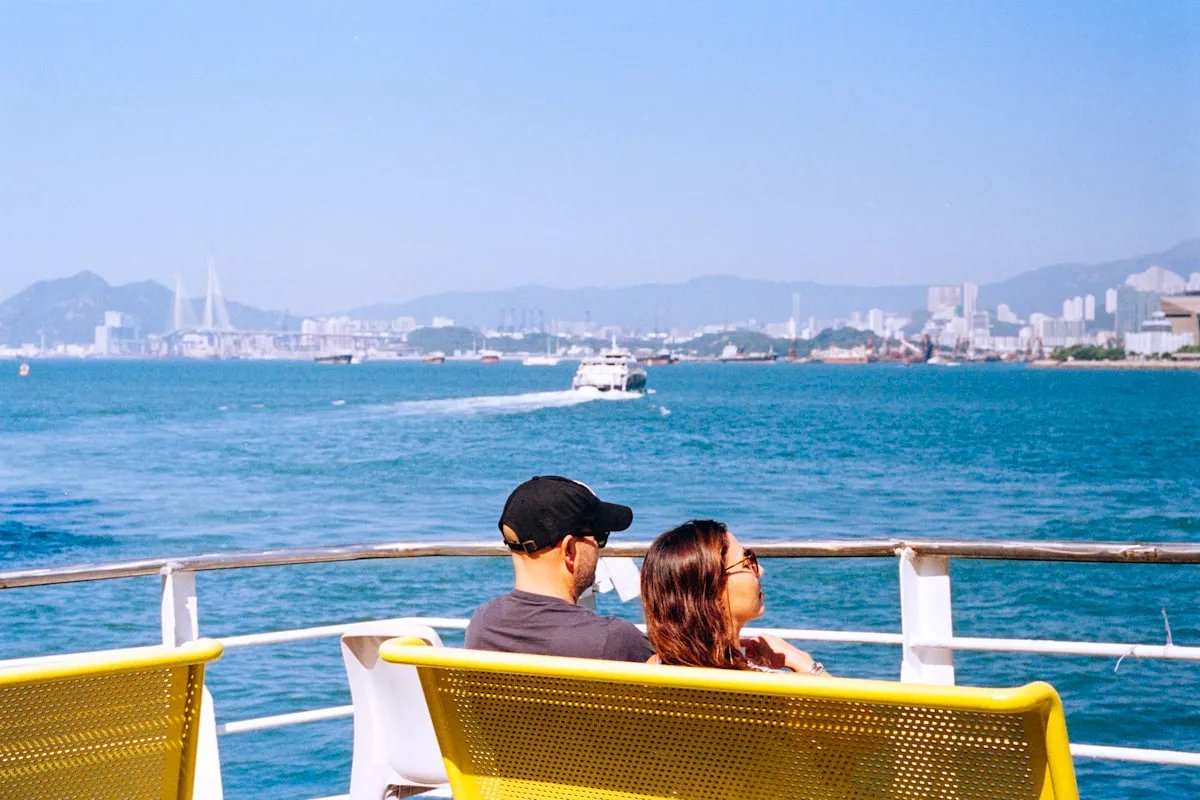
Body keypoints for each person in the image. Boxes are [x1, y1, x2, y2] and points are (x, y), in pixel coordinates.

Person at [465, 475, 655, 662]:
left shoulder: (482, 625)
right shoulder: (614, 642)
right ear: (569, 550)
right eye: (599, 537)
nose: (598, 547)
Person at [640, 519, 828, 675]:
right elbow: (855, 716)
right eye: (747, 564)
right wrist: (805, 663)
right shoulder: (769, 688)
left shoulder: (652, 670)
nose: (760, 571)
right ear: (712, 590)